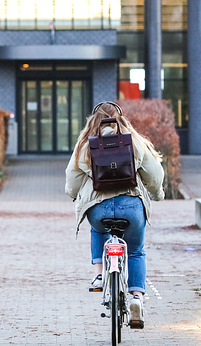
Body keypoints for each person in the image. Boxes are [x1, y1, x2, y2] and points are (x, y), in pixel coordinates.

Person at [65, 101, 165, 329]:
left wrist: (74, 194)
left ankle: (99, 274)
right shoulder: (133, 141)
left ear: (93, 120)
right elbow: (154, 174)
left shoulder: (85, 145)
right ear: (121, 119)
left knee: (97, 227)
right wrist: (157, 193)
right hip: (131, 208)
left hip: (99, 209)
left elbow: (72, 181)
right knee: (137, 251)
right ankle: (137, 298)